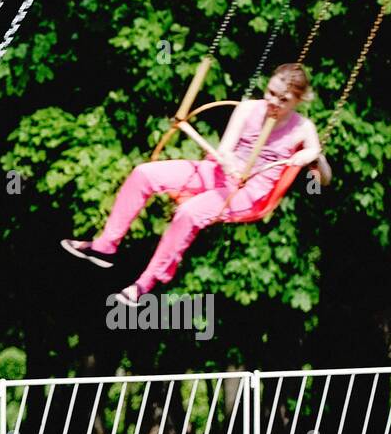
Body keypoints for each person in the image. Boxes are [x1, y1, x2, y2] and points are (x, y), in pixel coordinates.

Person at [61, 62, 331, 305]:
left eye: (282, 99)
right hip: (219, 172)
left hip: (249, 193)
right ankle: (106, 246)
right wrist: (226, 161)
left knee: (189, 213)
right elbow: (225, 148)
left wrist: (311, 155)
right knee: (144, 173)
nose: (272, 101)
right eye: (270, 92)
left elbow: (322, 173)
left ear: (298, 100)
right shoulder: (249, 108)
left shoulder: (302, 128)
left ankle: (145, 283)